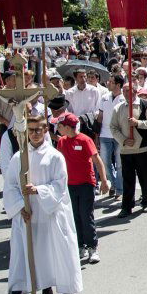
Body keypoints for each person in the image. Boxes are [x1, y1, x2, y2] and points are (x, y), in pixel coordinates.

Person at [3, 116, 82, 294]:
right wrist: (20, 207)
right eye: (31, 130)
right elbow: (10, 185)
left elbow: (60, 185)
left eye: (38, 129)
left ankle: (47, 288)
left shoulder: (54, 156)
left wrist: (38, 190)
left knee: (45, 252)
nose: (35, 134)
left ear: (45, 130)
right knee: (21, 253)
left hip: (46, 213)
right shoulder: (19, 158)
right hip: (26, 215)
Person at [55, 112, 109, 264]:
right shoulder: (61, 142)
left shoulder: (85, 140)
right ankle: (80, 246)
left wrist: (104, 181)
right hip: (69, 186)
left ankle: (93, 247)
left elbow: (97, 160)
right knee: (74, 216)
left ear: (67, 127)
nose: (57, 129)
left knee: (86, 216)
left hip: (86, 184)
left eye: (59, 126)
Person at [112, 83, 147, 218]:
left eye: (129, 90)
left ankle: (146, 201)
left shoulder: (145, 105)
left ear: (135, 91)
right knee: (128, 179)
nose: (127, 93)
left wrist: (138, 123)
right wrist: (123, 140)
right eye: (124, 91)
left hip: (143, 148)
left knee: (144, 177)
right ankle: (127, 206)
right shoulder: (118, 108)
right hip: (126, 150)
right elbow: (113, 127)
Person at [96, 74, 125, 201]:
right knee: (105, 161)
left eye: (111, 82)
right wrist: (97, 133)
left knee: (119, 164)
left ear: (118, 85)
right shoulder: (104, 97)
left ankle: (119, 190)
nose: (108, 83)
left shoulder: (124, 99)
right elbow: (100, 116)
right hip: (104, 134)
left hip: (119, 134)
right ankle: (113, 184)